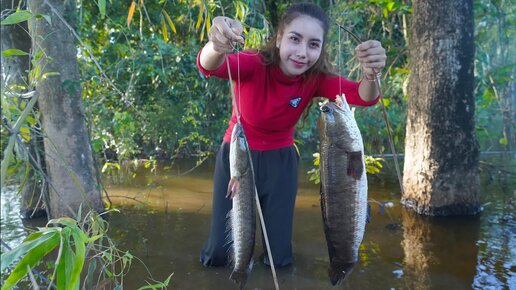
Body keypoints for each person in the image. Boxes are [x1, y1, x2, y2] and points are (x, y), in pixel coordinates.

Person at [197, 2, 386, 268]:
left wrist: (371, 73)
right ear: (278, 39)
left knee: (279, 258)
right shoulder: (253, 64)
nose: (301, 52)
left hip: (282, 163)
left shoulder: (315, 78)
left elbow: (364, 97)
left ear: (320, 50)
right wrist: (216, 44)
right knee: (219, 254)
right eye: (295, 39)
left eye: (313, 44)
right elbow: (209, 65)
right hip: (237, 156)